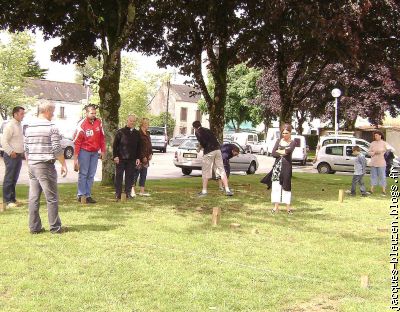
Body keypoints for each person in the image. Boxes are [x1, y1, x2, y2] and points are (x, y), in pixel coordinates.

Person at [24, 100, 67, 234]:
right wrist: (64, 164)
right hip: (45, 165)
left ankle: (34, 227)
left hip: (32, 164)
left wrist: (29, 163)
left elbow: (26, 148)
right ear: (47, 111)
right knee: (52, 198)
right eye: (53, 112)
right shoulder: (51, 127)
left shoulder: (29, 127)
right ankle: (55, 227)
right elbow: (56, 148)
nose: (53, 114)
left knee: (33, 198)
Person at [73, 104, 106, 203]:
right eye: (91, 113)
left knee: (91, 174)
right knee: (83, 173)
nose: (94, 115)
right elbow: (77, 142)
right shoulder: (82, 125)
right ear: (86, 113)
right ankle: (81, 194)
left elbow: (102, 138)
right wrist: (75, 159)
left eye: (95, 113)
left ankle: (88, 195)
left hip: (95, 152)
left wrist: (103, 151)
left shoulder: (99, 122)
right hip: (84, 151)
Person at [261, 124, 296, 214]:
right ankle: (276, 207)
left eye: (286, 133)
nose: (284, 135)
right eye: (283, 133)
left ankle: (288, 208)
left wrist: (279, 151)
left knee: (286, 187)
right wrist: (283, 152)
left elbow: (289, 151)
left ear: (290, 133)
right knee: (276, 187)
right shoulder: (278, 141)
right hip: (277, 167)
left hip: (287, 167)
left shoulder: (293, 142)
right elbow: (273, 153)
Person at [192, 120, 233, 197]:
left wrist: (199, 148)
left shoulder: (197, 132)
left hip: (209, 152)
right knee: (221, 169)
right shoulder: (207, 130)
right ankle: (227, 190)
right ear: (200, 124)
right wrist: (200, 147)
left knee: (206, 171)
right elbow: (212, 140)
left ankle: (204, 191)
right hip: (217, 150)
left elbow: (203, 142)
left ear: (194, 128)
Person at [113, 115, 141, 201]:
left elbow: (139, 147)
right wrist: (115, 156)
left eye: (133, 121)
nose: (132, 122)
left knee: (129, 177)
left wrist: (138, 158)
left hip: (131, 159)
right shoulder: (120, 132)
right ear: (127, 121)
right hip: (120, 159)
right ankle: (118, 194)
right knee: (119, 176)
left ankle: (128, 193)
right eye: (130, 121)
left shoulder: (137, 133)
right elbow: (115, 145)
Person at [1, 106, 25, 208]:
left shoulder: (19, 125)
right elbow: (4, 142)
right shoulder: (10, 126)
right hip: (11, 156)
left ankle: (12, 199)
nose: (23, 116)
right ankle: (7, 200)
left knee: (14, 178)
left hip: (18, 156)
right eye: (21, 114)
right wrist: (11, 152)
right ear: (15, 114)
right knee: (9, 178)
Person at [132, 118, 152, 197]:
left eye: (148, 123)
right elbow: (138, 146)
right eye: (146, 123)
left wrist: (151, 153)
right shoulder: (138, 133)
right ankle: (132, 191)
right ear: (142, 124)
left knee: (144, 174)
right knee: (135, 174)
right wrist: (142, 156)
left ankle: (142, 191)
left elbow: (149, 145)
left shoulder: (148, 133)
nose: (148, 125)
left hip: (147, 157)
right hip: (139, 157)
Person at [368, 130, 390, 196]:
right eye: (375, 136)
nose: (375, 137)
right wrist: (374, 153)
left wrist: (382, 150)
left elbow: (390, 150)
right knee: (373, 176)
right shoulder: (372, 143)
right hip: (373, 162)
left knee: (382, 176)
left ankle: (383, 190)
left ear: (380, 136)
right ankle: (371, 189)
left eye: (376, 135)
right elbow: (369, 152)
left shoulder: (384, 143)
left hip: (381, 163)